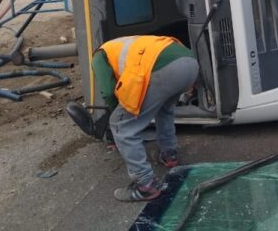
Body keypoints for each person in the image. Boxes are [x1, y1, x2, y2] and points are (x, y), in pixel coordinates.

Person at [66, 35, 198, 202]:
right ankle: (169, 155)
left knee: (122, 125)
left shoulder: (99, 56)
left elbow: (108, 91)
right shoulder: (123, 44)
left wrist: (116, 117)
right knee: (165, 110)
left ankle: (146, 185)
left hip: (162, 68)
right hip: (189, 63)